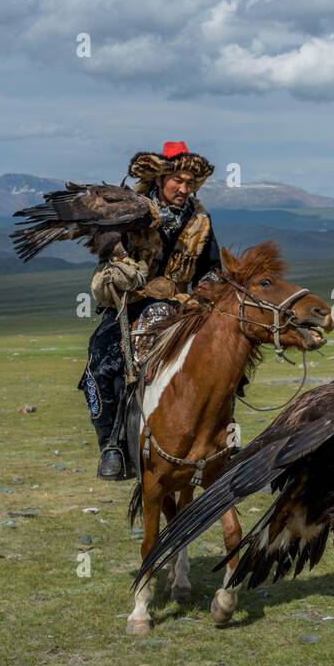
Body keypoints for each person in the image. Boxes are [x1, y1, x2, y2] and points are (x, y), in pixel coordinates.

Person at [80, 141, 222, 480]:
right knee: (101, 366)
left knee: (228, 355)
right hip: (132, 306)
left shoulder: (200, 221)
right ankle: (112, 445)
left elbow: (211, 267)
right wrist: (125, 274)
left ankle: (221, 436)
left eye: (190, 184)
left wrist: (208, 289)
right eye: (178, 181)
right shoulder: (132, 212)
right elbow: (109, 257)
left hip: (184, 307)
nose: (185, 189)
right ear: (160, 180)